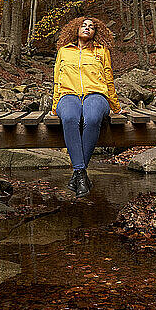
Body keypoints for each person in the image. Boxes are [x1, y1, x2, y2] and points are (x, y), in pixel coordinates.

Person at [51, 16, 124, 198]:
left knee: (92, 119)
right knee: (69, 118)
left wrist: (116, 107)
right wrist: (54, 106)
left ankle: (78, 173)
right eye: (83, 25)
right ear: (75, 28)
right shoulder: (64, 51)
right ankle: (81, 173)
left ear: (95, 32)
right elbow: (57, 80)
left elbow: (108, 78)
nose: (87, 28)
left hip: (96, 95)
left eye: (91, 27)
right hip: (68, 95)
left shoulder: (101, 51)